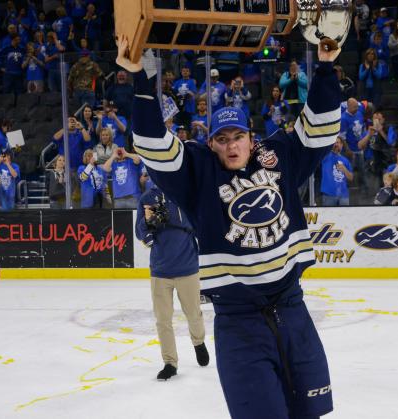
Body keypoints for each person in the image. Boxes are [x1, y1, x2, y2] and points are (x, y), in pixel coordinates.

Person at [118, 34, 340, 419]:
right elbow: (153, 143)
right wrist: (139, 78)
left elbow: (320, 128)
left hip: (293, 311)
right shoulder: (197, 173)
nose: (231, 145)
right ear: (211, 143)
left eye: (238, 136)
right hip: (239, 324)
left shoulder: (278, 156)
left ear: (252, 140)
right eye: (221, 139)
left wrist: (324, 67)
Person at [135, 181, 209, 381]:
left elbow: (197, 224)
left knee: (194, 313)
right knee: (163, 320)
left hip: (187, 267)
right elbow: (140, 233)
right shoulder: (147, 198)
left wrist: (170, 216)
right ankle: (170, 362)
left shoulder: (185, 193)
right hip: (160, 270)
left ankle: (199, 342)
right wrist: (149, 221)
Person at [320, 135, 353, 206]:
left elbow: (351, 178)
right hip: (329, 194)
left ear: (341, 145)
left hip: (343, 195)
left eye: (338, 142)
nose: (336, 144)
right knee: (329, 217)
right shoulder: (325, 156)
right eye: (334, 143)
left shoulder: (345, 160)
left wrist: (344, 170)